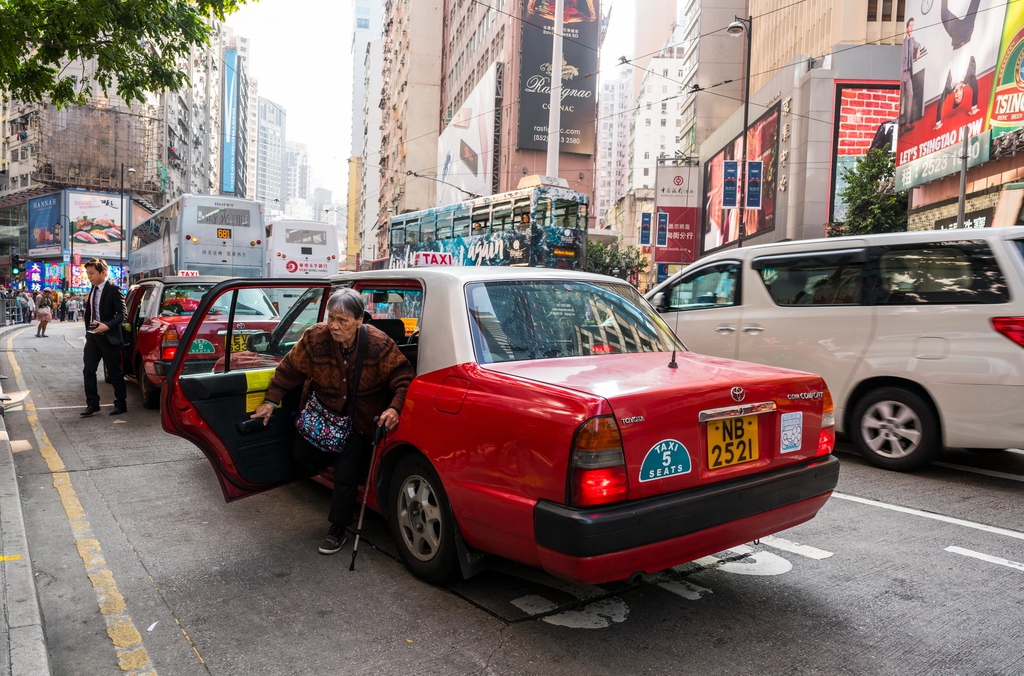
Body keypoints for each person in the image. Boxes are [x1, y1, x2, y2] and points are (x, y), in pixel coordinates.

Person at [250, 288, 414, 555]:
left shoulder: (378, 344)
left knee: (345, 473)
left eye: (343, 321)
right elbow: (290, 369)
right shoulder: (315, 338)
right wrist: (271, 400)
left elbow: (404, 378)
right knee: (301, 456)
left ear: (360, 320)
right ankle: (353, 466)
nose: (335, 327)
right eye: (331, 319)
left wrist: (395, 408)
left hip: (358, 421)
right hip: (323, 415)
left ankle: (338, 528)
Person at [81, 259, 128, 416]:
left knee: (114, 373)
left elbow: (123, 314)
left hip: (109, 336)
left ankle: (121, 404)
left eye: (92, 273)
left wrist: (107, 325)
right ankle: (92, 404)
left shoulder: (113, 289)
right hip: (93, 336)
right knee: (88, 370)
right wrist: (89, 331)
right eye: (88, 273)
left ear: (103, 273)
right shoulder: (93, 289)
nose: (89, 276)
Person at [900, 17, 921, 131]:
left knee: (911, 95)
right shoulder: (903, 42)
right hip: (901, 74)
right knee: (901, 100)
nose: (912, 28)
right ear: (907, 27)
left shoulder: (913, 40)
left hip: (908, 74)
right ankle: (898, 124)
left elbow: (919, 45)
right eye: (910, 26)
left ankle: (907, 122)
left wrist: (917, 52)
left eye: (913, 26)